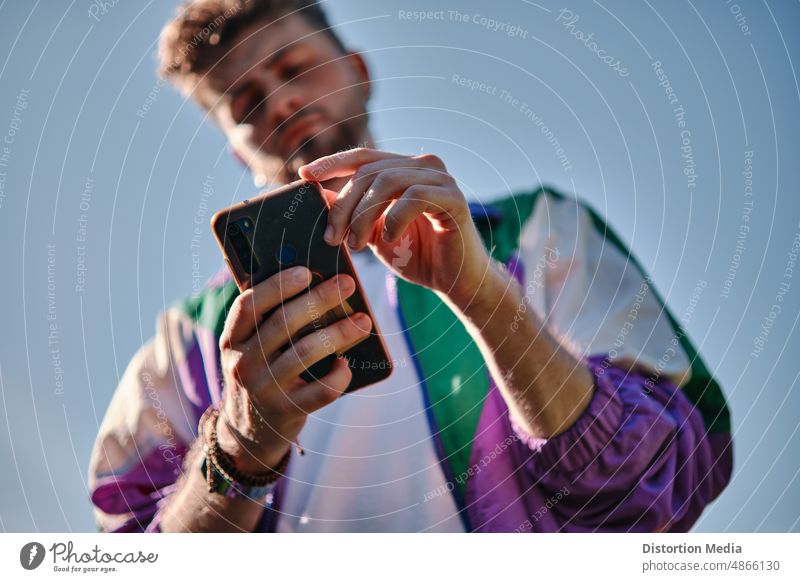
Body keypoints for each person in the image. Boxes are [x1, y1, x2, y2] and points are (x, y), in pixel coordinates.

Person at [88, 0, 732, 533]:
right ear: (234, 146)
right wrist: (240, 444)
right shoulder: (190, 340)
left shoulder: (540, 231)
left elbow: (666, 474)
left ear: (357, 70)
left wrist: (481, 293)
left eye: (294, 68)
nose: (278, 105)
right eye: (245, 101)